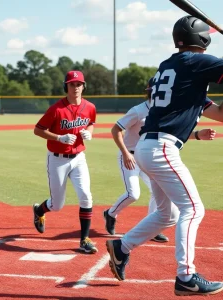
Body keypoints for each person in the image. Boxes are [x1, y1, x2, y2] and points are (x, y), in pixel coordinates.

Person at [105, 15, 223, 296]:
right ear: (202, 39)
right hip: (161, 148)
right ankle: (186, 276)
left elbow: (216, 113)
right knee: (193, 209)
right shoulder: (196, 63)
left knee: (166, 213)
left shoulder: (173, 66)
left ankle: (121, 247)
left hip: (149, 147)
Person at [103, 78, 215, 243]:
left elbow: (171, 134)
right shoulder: (138, 110)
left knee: (158, 194)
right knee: (133, 194)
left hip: (150, 158)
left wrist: (197, 134)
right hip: (130, 156)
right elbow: (115, 129)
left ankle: (153, 228)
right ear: (150, 91)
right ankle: (110, 213)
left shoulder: (164, 111)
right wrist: (125, 153)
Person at [33, 70, 98, 254]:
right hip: (57, 160)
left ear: (84, 86)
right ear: (66, 86)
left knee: (86, 195)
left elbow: (91, 122)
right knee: (57, 205)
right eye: (72, 84)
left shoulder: (90, 107)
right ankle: (40, 210)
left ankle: (84, 239)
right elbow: (38, 130)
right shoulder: (56, 109)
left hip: (79, 158)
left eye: (79, 84)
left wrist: (90, 132)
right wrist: (58, 138)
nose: (76, 88)